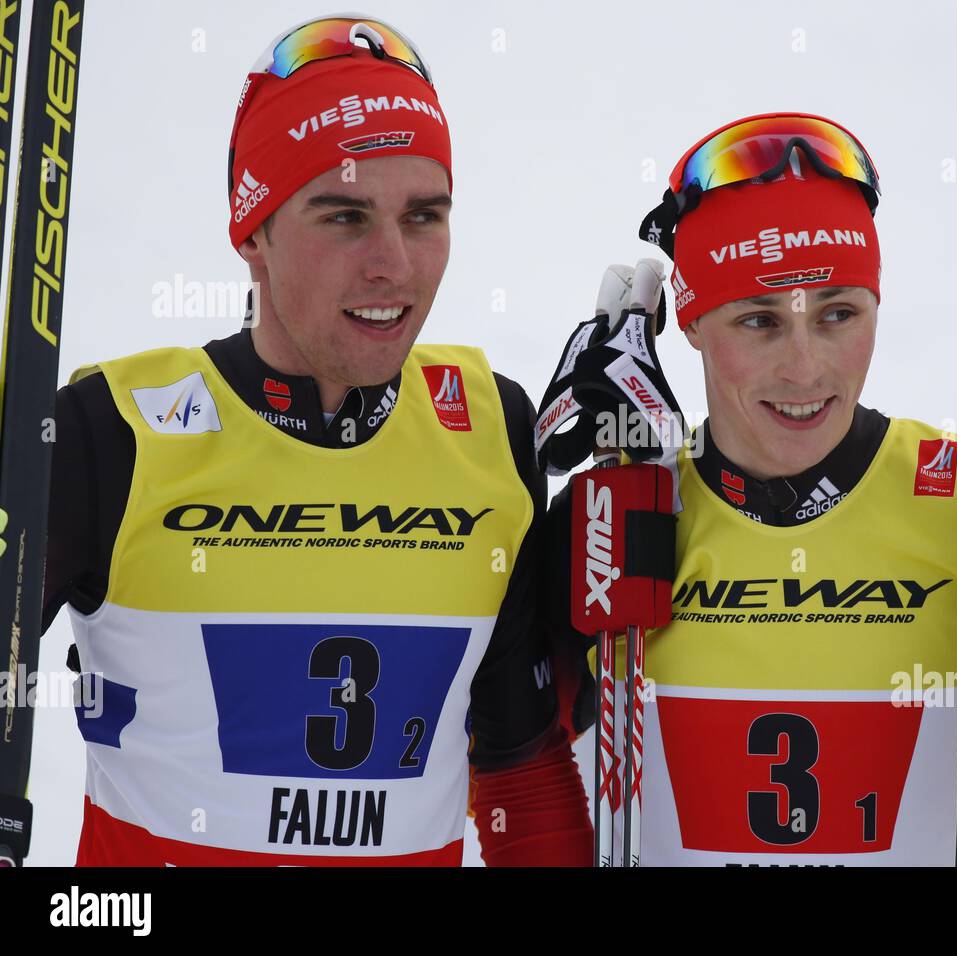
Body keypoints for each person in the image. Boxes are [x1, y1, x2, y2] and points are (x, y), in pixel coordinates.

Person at [545, 113, 957, 865]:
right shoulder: (618, 526)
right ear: (691, 322)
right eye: (759, 321)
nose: (806, 369)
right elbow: (508, 758)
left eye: (840, 314)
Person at [35, 15, 590, 866]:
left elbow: (518, 762)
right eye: (344, 217)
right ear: (250, 230)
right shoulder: (110, 432)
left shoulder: (490, 428)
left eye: (424, 216)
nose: (393, 265)